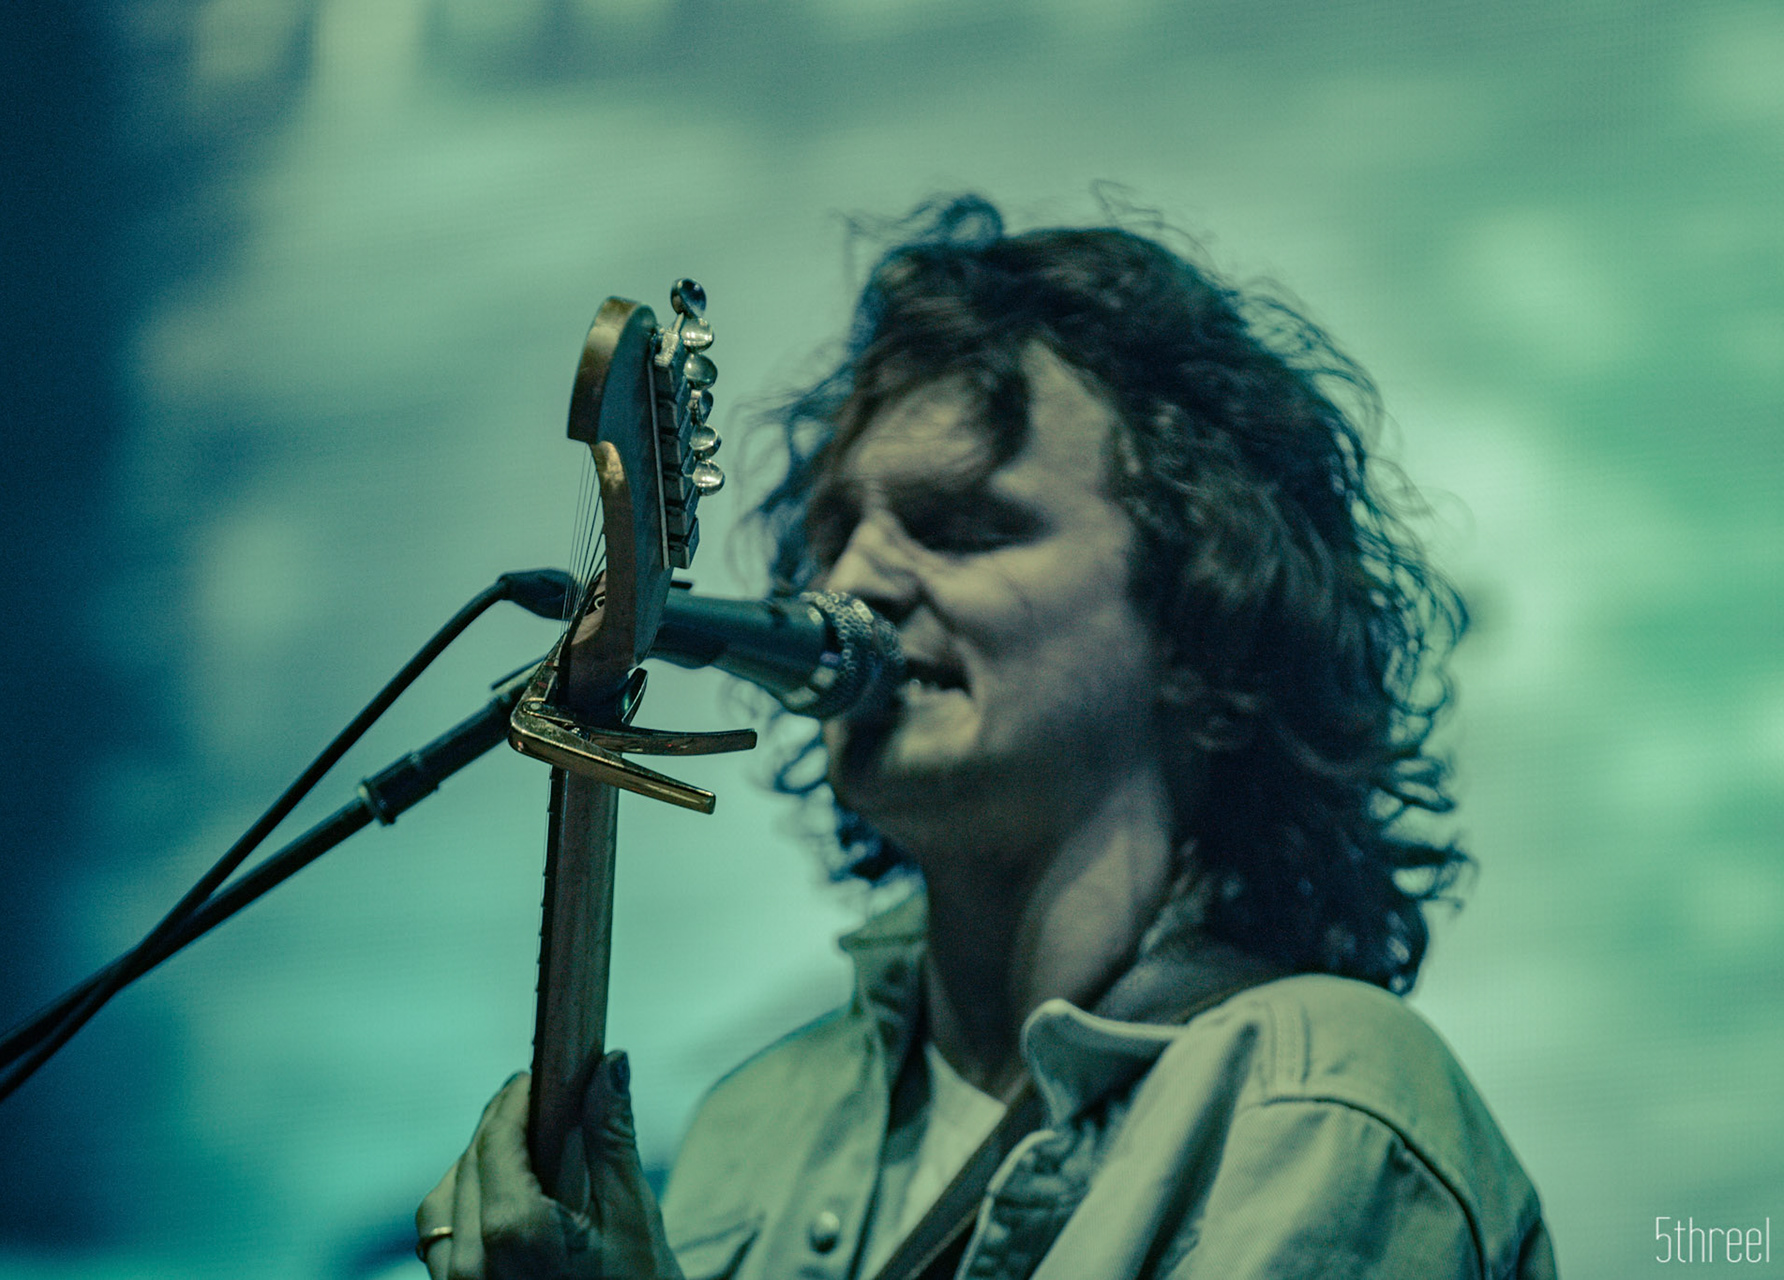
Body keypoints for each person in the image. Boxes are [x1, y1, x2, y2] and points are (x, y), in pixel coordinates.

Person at [415, 196, 1556, 1280]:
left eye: (961, 525)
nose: (853, 576)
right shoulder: (746, 1130)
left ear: (1201, 622)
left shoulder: (1319, 1097)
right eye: (836, 529)